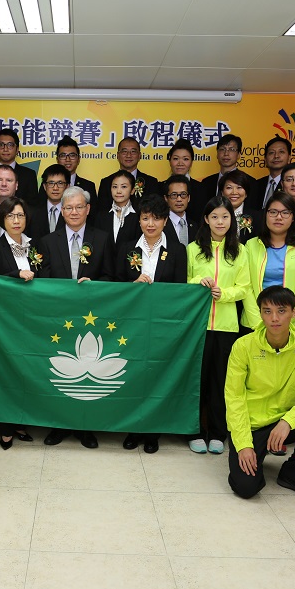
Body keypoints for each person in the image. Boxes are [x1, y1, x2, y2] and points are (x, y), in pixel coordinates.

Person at [225, 286, 295, 502]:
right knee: (246, 487)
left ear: (294, 312)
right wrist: (244, 445)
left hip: (284, 421)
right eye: (267, 311)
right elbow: (234, 398)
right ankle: (251, 454)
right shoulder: (243, 346)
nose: (274, 318)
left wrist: (288, 421)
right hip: (252, 425)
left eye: (281, 311)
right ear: (260, 313)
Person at [38, 185, 115, 449]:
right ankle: (58, 425)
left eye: (79, 207)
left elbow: (111, 276)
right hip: (59, 319)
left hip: (91, 318)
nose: (74, 212)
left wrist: (94, 285)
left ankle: (85, 427)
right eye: (68, 208)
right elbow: (44, 280)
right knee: (60, 372)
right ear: (61, 211)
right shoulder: (48, 241)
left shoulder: (102, 238)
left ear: (88, 209)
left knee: (87, 375)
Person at [116, 194, 187, 454]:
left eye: (156, 218)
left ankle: (152, 431)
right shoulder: (126, 248)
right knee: (133, 375)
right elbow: (114, 284)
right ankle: (133, 428)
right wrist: (132, 286)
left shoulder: (177, 250)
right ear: (139, 220)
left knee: (157, 375)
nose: (150, 224)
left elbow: (180, 290)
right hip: (132, 324)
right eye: (145, 218)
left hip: (162, 324)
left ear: (165, 221)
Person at [187, 196, 250, 455]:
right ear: (206, 219)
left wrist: (224, 294)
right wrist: (198, 283)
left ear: (232, 220)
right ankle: (194, 431)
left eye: (225, 217)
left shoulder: (240, 250)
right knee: (197, 381)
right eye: (214, 217)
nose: (220, 222)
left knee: (220, 382)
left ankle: (217, 433)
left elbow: (244, 287)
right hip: (198, 326)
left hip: (226, 326)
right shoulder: (192, 248)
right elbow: (184, 281)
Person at [0, 197, 38, 449]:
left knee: (26, 373)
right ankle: (5, 428)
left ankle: (21, 421)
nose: (16, 220)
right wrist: (17, 274)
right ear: (2, 219)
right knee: (6, 373)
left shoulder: (35, 246)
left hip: (32, 321)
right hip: (4, 322)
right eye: (10, 216)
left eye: (20, 215)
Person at [240, 192, 295, 334]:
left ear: (293, 217)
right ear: (265, 215)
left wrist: (285, 317)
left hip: (292, 323)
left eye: (285, 213)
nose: (279, 217)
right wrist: (259, 322)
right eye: (273, 212)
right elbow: (246, 287)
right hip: (255, 322)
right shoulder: (251, 245)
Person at [0, 129, 38, 215]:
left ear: (17, 149)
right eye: (1, 145)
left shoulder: (29, 175)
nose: (5, 149)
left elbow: (32, 206)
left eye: (10, 145)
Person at [96, 137, 160, 211]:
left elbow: (155, 210)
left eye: (133, 151)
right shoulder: (106, 182)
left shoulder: (151, 182)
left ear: (139, 155)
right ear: (118, 155)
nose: (128, 155)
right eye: (124, 151)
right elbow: (102, 211)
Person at [39, 135, 96, 203]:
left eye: (72, 155)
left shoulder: (88, 186)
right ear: (57, 159)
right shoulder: (48, 184)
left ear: (78, 159)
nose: (68, 160)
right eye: (63, 156)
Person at [27, 164, 69, 240]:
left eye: (60, 183)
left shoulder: (72, 212)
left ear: (67, 186)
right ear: (44, 186)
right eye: (51, 183)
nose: (55, 188)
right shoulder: (32, 212)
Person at [93, 170, 136, 245]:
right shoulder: (101, 216)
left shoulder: (138, 216)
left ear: (132, 190)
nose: (118, 191)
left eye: (124, 187)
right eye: (115, 187)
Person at [217, 169, 260, 243]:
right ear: (222, 193)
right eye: (229, 188)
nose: (234, 192)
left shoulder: (257, 218)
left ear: (246, 193)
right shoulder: (214, 215)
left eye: (239, 187)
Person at [200, 133, 244, 202]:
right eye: (222, 149)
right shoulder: (206, 183)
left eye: (231, 149)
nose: (226, 153)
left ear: (238, 155)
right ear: (217, 154)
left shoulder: (250, 182)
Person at [164, 138, 205, 212]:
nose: (180, 163)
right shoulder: (160, 187)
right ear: (170, 161)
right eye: (176, 159)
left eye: (185, 159)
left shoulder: (201, 189)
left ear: (191, 162)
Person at [253, 136, 291, 208]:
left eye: (281, 152)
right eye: (271, 152)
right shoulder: (255, 185)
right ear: (265, 159)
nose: (276, 156)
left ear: (289, 158)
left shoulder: (292, 185)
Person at [163, 174, 198, 246]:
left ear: (189, 198)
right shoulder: (160, 225)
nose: (179, 199)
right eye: (174, 195)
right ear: (166, 198)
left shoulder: (195, 226)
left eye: (183, 194)